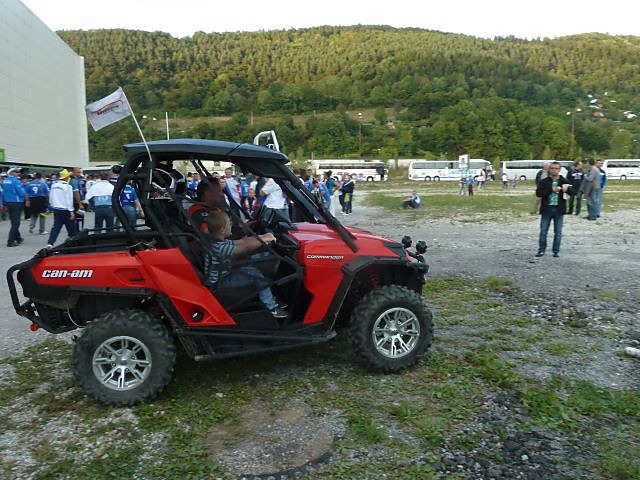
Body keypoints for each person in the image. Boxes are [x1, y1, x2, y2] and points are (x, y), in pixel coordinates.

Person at [204, 210, 288, 319]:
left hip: (224, 274)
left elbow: (242, 242)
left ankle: (270, 298)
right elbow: (244, 248)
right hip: (220, 282)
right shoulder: (220, 248)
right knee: (256, 276)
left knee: (251, 269)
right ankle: (271, 308)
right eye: (229, 223)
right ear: (222, 229)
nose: (231, 225)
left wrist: (263, 236)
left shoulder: (218, 242)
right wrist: (265, 239)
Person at [535, 161, 571, 258]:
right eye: (552, 168)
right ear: (549, 169)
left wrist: (567, 190)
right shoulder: (544, 181)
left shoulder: (564, 181)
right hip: (547, 209)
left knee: (558, 232)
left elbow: (573, 192)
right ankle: (541, 250)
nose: (554, 170)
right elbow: (538, 193)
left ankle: (556, 251)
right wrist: (551, 190)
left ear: (559, 170)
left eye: (556, 168)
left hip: (559, 209)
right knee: (543, 231)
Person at [47, 169, 77, 247]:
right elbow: (69, 200)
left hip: (56, 209)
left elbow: (51, 197)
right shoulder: (68, 187)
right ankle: (74, 242)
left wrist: (52, 205)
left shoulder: (54, 185)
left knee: (56, 227)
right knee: (71, 227)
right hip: (66, 210)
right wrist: (71, 211)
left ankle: (50, 243)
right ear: (66, 177)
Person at [2, 167, 26, 247]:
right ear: (11, 173)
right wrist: (24, 192)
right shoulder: (16, 181)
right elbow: (21, 193)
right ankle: (10, 241)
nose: (18, 173)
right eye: (16, 172)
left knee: (13, 221)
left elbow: (3, 194)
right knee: (16, 222)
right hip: (16, 202)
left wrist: (4, 204)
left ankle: (18, 238)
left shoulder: (5, 181)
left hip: (8, 202)